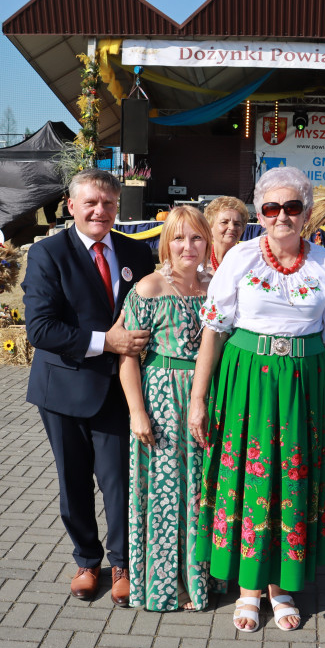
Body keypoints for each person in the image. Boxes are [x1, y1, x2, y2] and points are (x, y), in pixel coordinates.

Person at [187, 166, 325, 633]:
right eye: (272, 208)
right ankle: (249, 589)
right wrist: (199, 399)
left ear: (308, 214)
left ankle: (282, 586)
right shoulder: (240, 258)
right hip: (247, 384)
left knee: (292, 482)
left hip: (304, 384)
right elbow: (214, 334)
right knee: (249, 479)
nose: (282, 217)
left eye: (293, 208)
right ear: (260, 212)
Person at [23, 168, 155, 605]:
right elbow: (41, 329)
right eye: (92, 203)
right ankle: (86, 559)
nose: (101, 211)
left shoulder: (140, 252)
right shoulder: (48, 254)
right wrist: (106, 342)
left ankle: (122, 563)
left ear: (119, 207)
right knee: (73, 481)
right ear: (72, 206)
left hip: (120, 391)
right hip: (63, 389)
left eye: (109, 203)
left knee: (119, 481)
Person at [118, 206, 213, 612]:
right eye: (178, 238)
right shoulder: (148, 288)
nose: (187, 246)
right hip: (162, 397)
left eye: (195, 237)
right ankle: (164, 585)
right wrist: (137, 412)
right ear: (165, 243)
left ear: (207, 241)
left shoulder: (216, 287)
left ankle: (202, 579)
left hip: (208, 398)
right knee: (165, 491)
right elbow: (127, 357)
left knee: (202, 490)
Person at [203, 195, 248, 272]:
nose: (232, 227)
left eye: (237, 224)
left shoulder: (247, 262)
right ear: (209, 226)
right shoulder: (199, 259)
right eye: (224, 222)